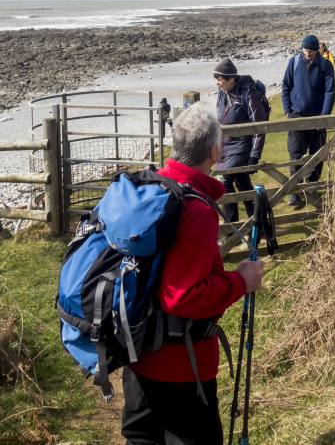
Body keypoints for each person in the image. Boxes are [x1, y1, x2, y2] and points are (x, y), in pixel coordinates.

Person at [121, 104, 265, 445]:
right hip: (180, 366)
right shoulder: (196, 209)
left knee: (141, 438)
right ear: (215, 152)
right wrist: (241, 280)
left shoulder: (148, 187)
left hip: (135, 350)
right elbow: (183, 295)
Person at [281, 34, 335, 206]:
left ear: (317, 50)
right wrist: (288, 109)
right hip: (296, 114)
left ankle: (311, 186)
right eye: (305, 51)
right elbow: (286, 86)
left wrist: (324, 116)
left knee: (317, 152)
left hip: (317, 115)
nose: (307, 54)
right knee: (295, 152)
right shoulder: (294, 62)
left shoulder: (326, 65)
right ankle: (294, 191)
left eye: (310, 51)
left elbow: (330, 91)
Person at [213, 58, 267, 223]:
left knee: (223, 183)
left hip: (242, 146)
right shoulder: (223, 92)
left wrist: (254, 155)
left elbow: (259, 126)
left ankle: (231, 231)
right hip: (225, 147)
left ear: (231, 79)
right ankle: (257, 222)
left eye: (220, 79)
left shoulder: (249, 95)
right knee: (242, 183)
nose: (217, 83)